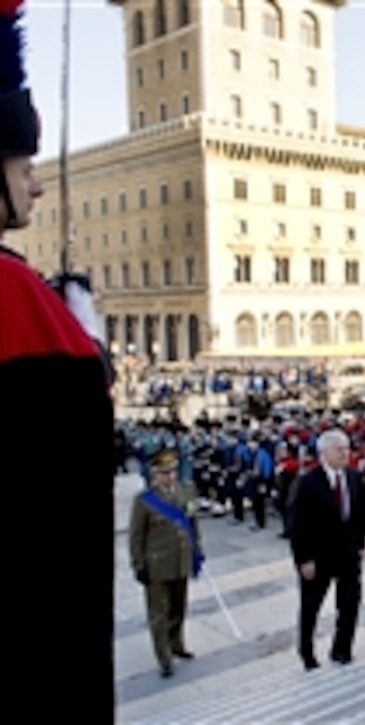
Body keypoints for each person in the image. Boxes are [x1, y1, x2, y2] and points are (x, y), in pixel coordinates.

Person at [1, 1, 116, 714]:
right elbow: (65, 472)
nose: (37, 183)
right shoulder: (13, 294)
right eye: (23, 164)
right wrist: (88, 353)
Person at [288, 429, 365, 670]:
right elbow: (297, 524)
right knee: (311, 606)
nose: (346, 454)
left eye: (347, 449)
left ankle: (342, 649)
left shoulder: (354, 478)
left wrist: (361, 544)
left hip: (347, 553)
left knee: (350, 603)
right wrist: (303, 559)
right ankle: (307, 652)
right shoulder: (307, 483)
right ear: (324, 453)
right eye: (339, 449)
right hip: (318, 556)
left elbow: (359, 515)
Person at [129, 449, 203, 678]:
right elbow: (136, 536)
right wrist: (138, 564)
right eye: (164, 473)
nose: (169, 476)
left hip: (180, 560)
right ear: (154, 474)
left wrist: (197, 550)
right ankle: (164, 657)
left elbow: (192, 523)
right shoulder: (144, 500)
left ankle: (176, 644)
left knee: (178, 607)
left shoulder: (186, 491)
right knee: (159, 613)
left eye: (171, 471)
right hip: (157, 564)